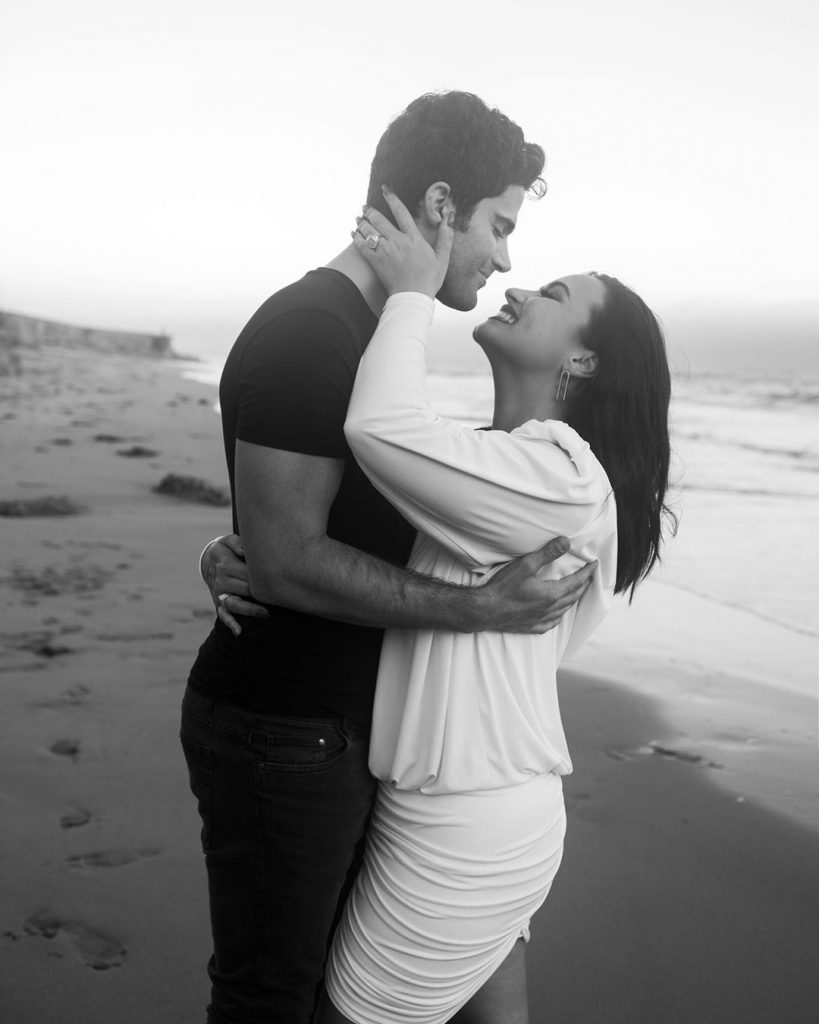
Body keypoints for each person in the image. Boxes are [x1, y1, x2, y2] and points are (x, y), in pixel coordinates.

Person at [182, 91, 597, 1024]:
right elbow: (289, 561)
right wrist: (477, 610)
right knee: (270, 998)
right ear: (442, 206)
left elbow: (319, 521)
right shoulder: (312, 329)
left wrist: (235, 543)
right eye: (498, 225)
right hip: (283, 725)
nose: (504, 260)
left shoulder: (369, 337)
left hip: (335, 728)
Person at [302, 193, 673, 1023]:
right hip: (475, 807)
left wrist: (410, 292)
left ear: (582, 362)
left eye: (552, 295)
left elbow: (380, 425)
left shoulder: (561, 476)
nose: (516, 285)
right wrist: (244, 549)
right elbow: (358, 538)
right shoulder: (497, 467)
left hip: (462, 824)